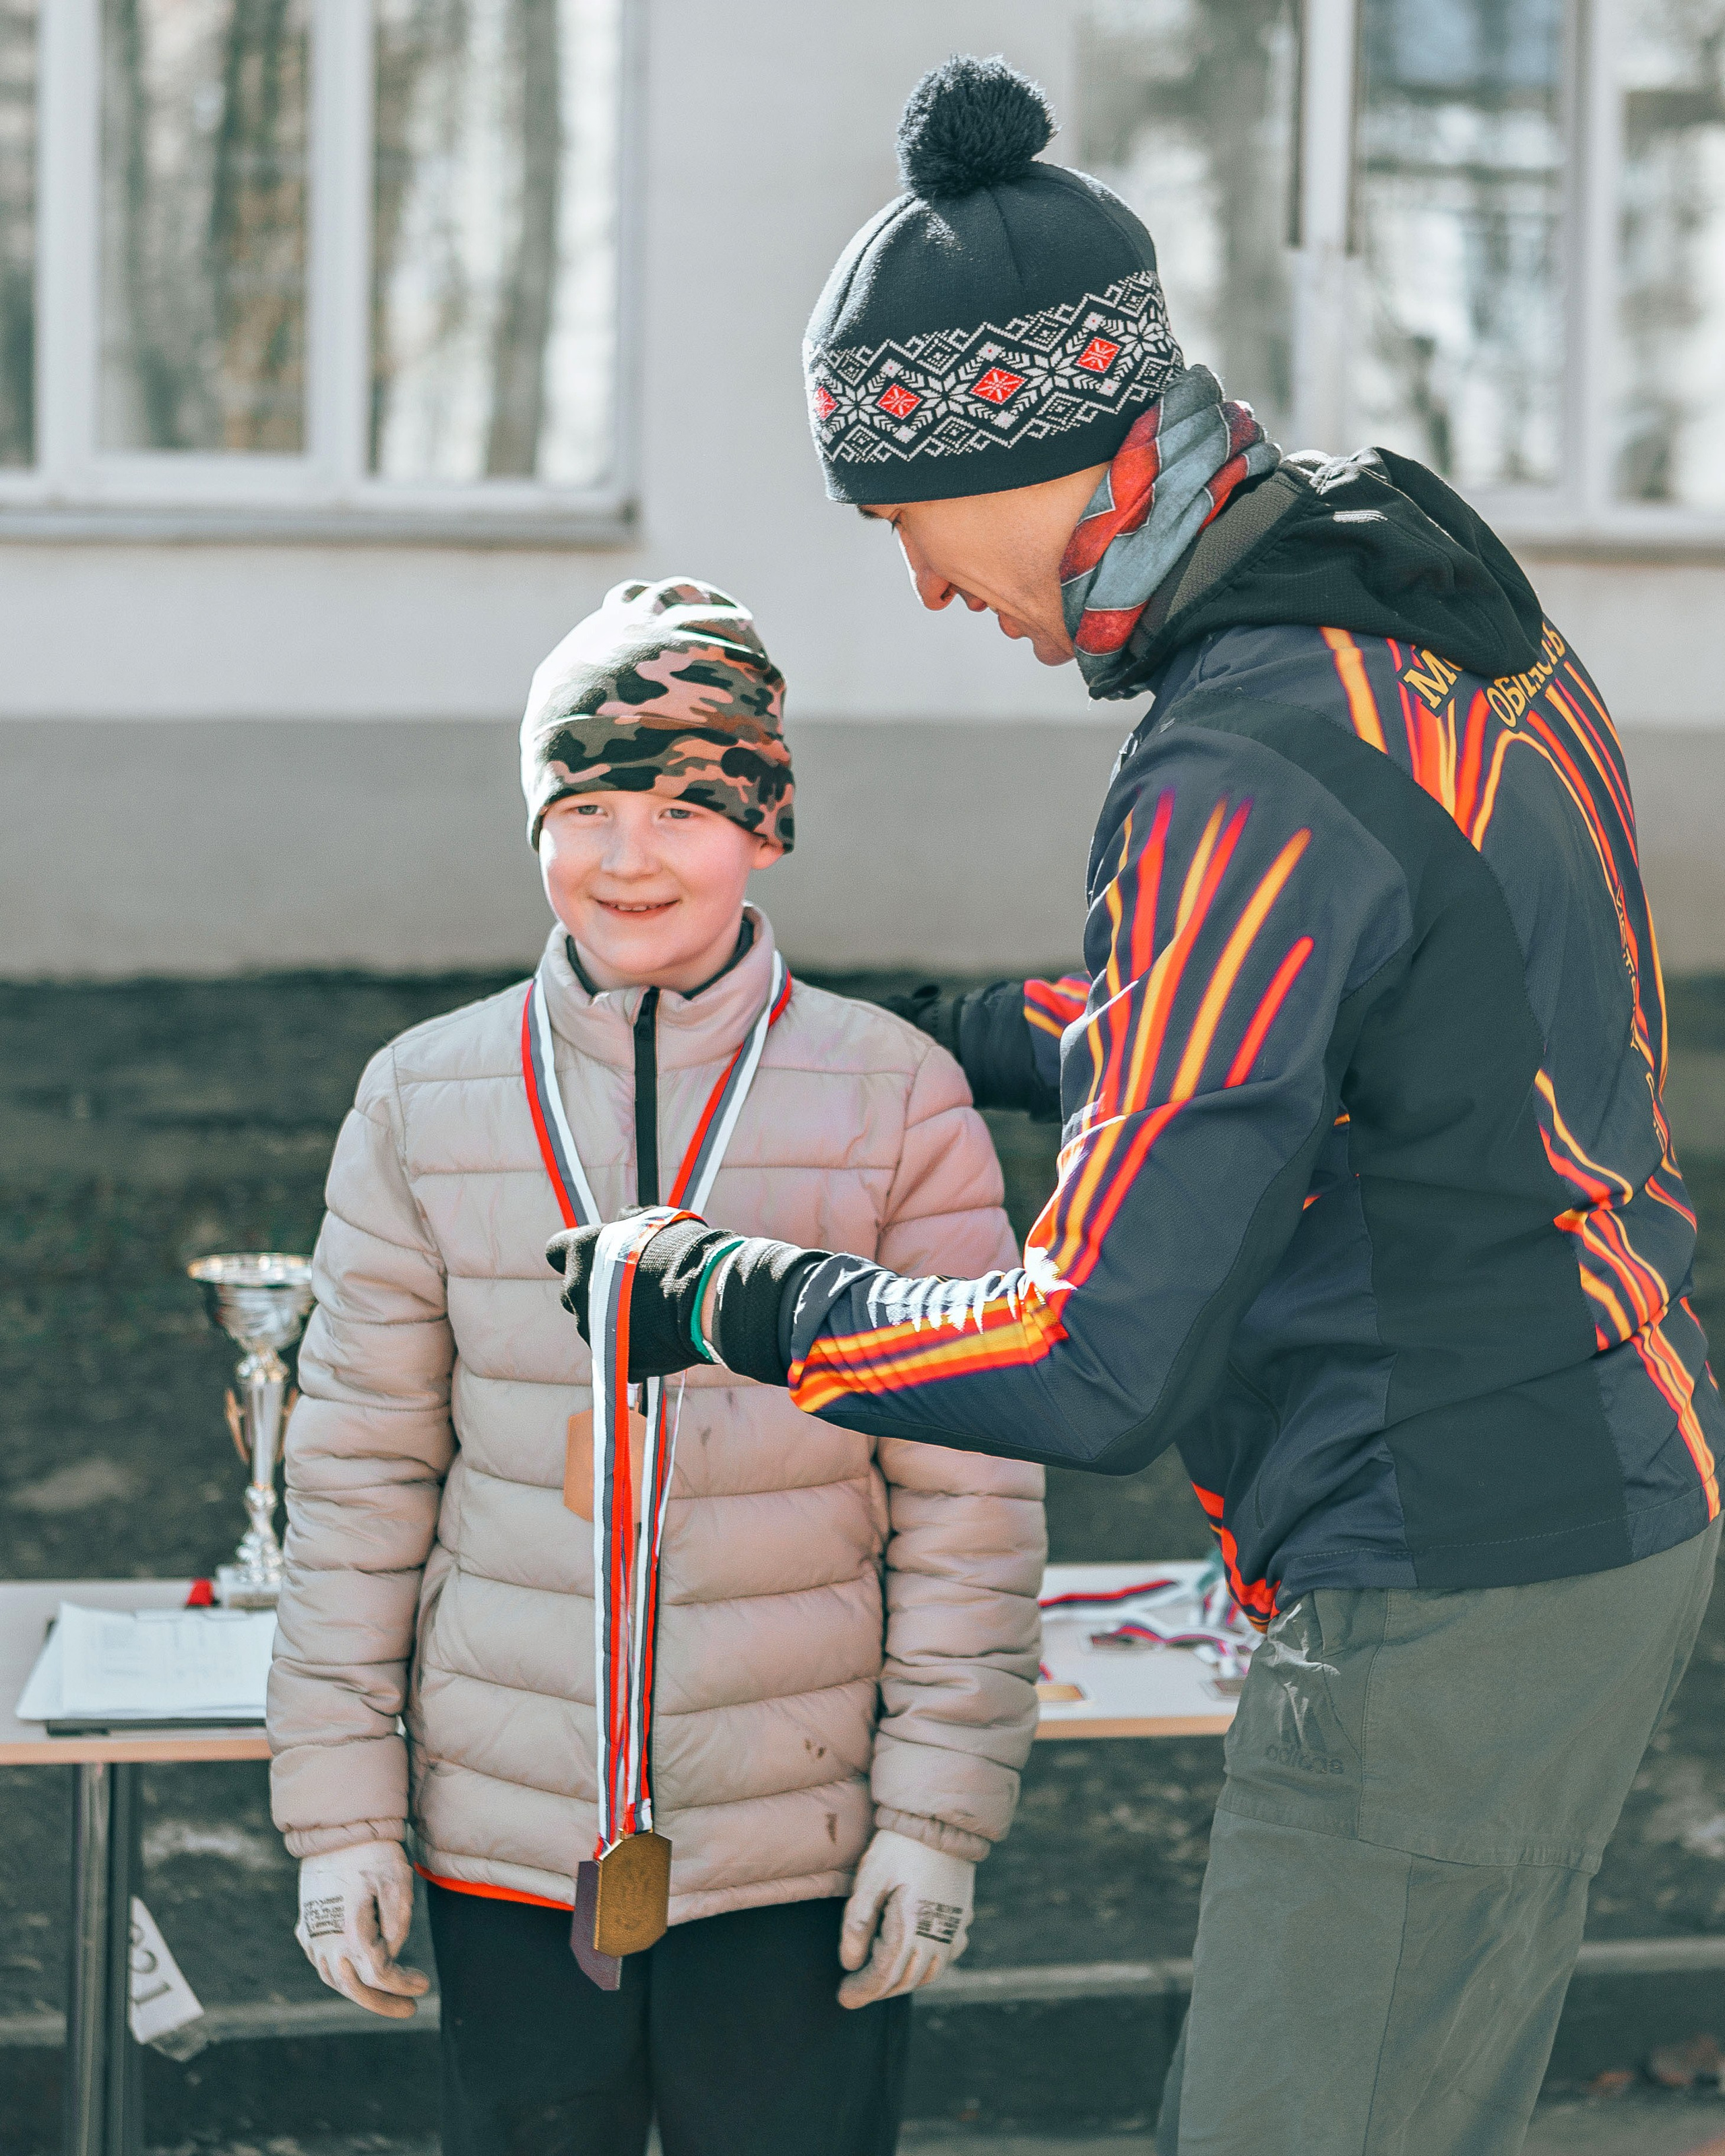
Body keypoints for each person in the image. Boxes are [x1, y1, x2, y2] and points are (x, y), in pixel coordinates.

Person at [548, 60, 1725, 2156]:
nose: (919, 584)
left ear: (1025, 450)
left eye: (901, 518)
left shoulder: (1238, 757)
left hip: (1447, 1547)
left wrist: (718, 1289)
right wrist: (992, 1029)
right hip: (1599, 1502)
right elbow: (1388, 1025)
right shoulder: (1418, 607)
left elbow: (1092, 1353)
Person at [266, 576, 1046, 2156]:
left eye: (689, 805)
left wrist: (934, 1817)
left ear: (765, 827)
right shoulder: (423, 1098)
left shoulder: (892, 1096)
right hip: (503, 1842)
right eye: (589, 799)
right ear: (534, 818)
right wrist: (340, 1817)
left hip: (796, 1847)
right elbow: (356, 1473)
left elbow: (971, 1491)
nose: (628, 855)